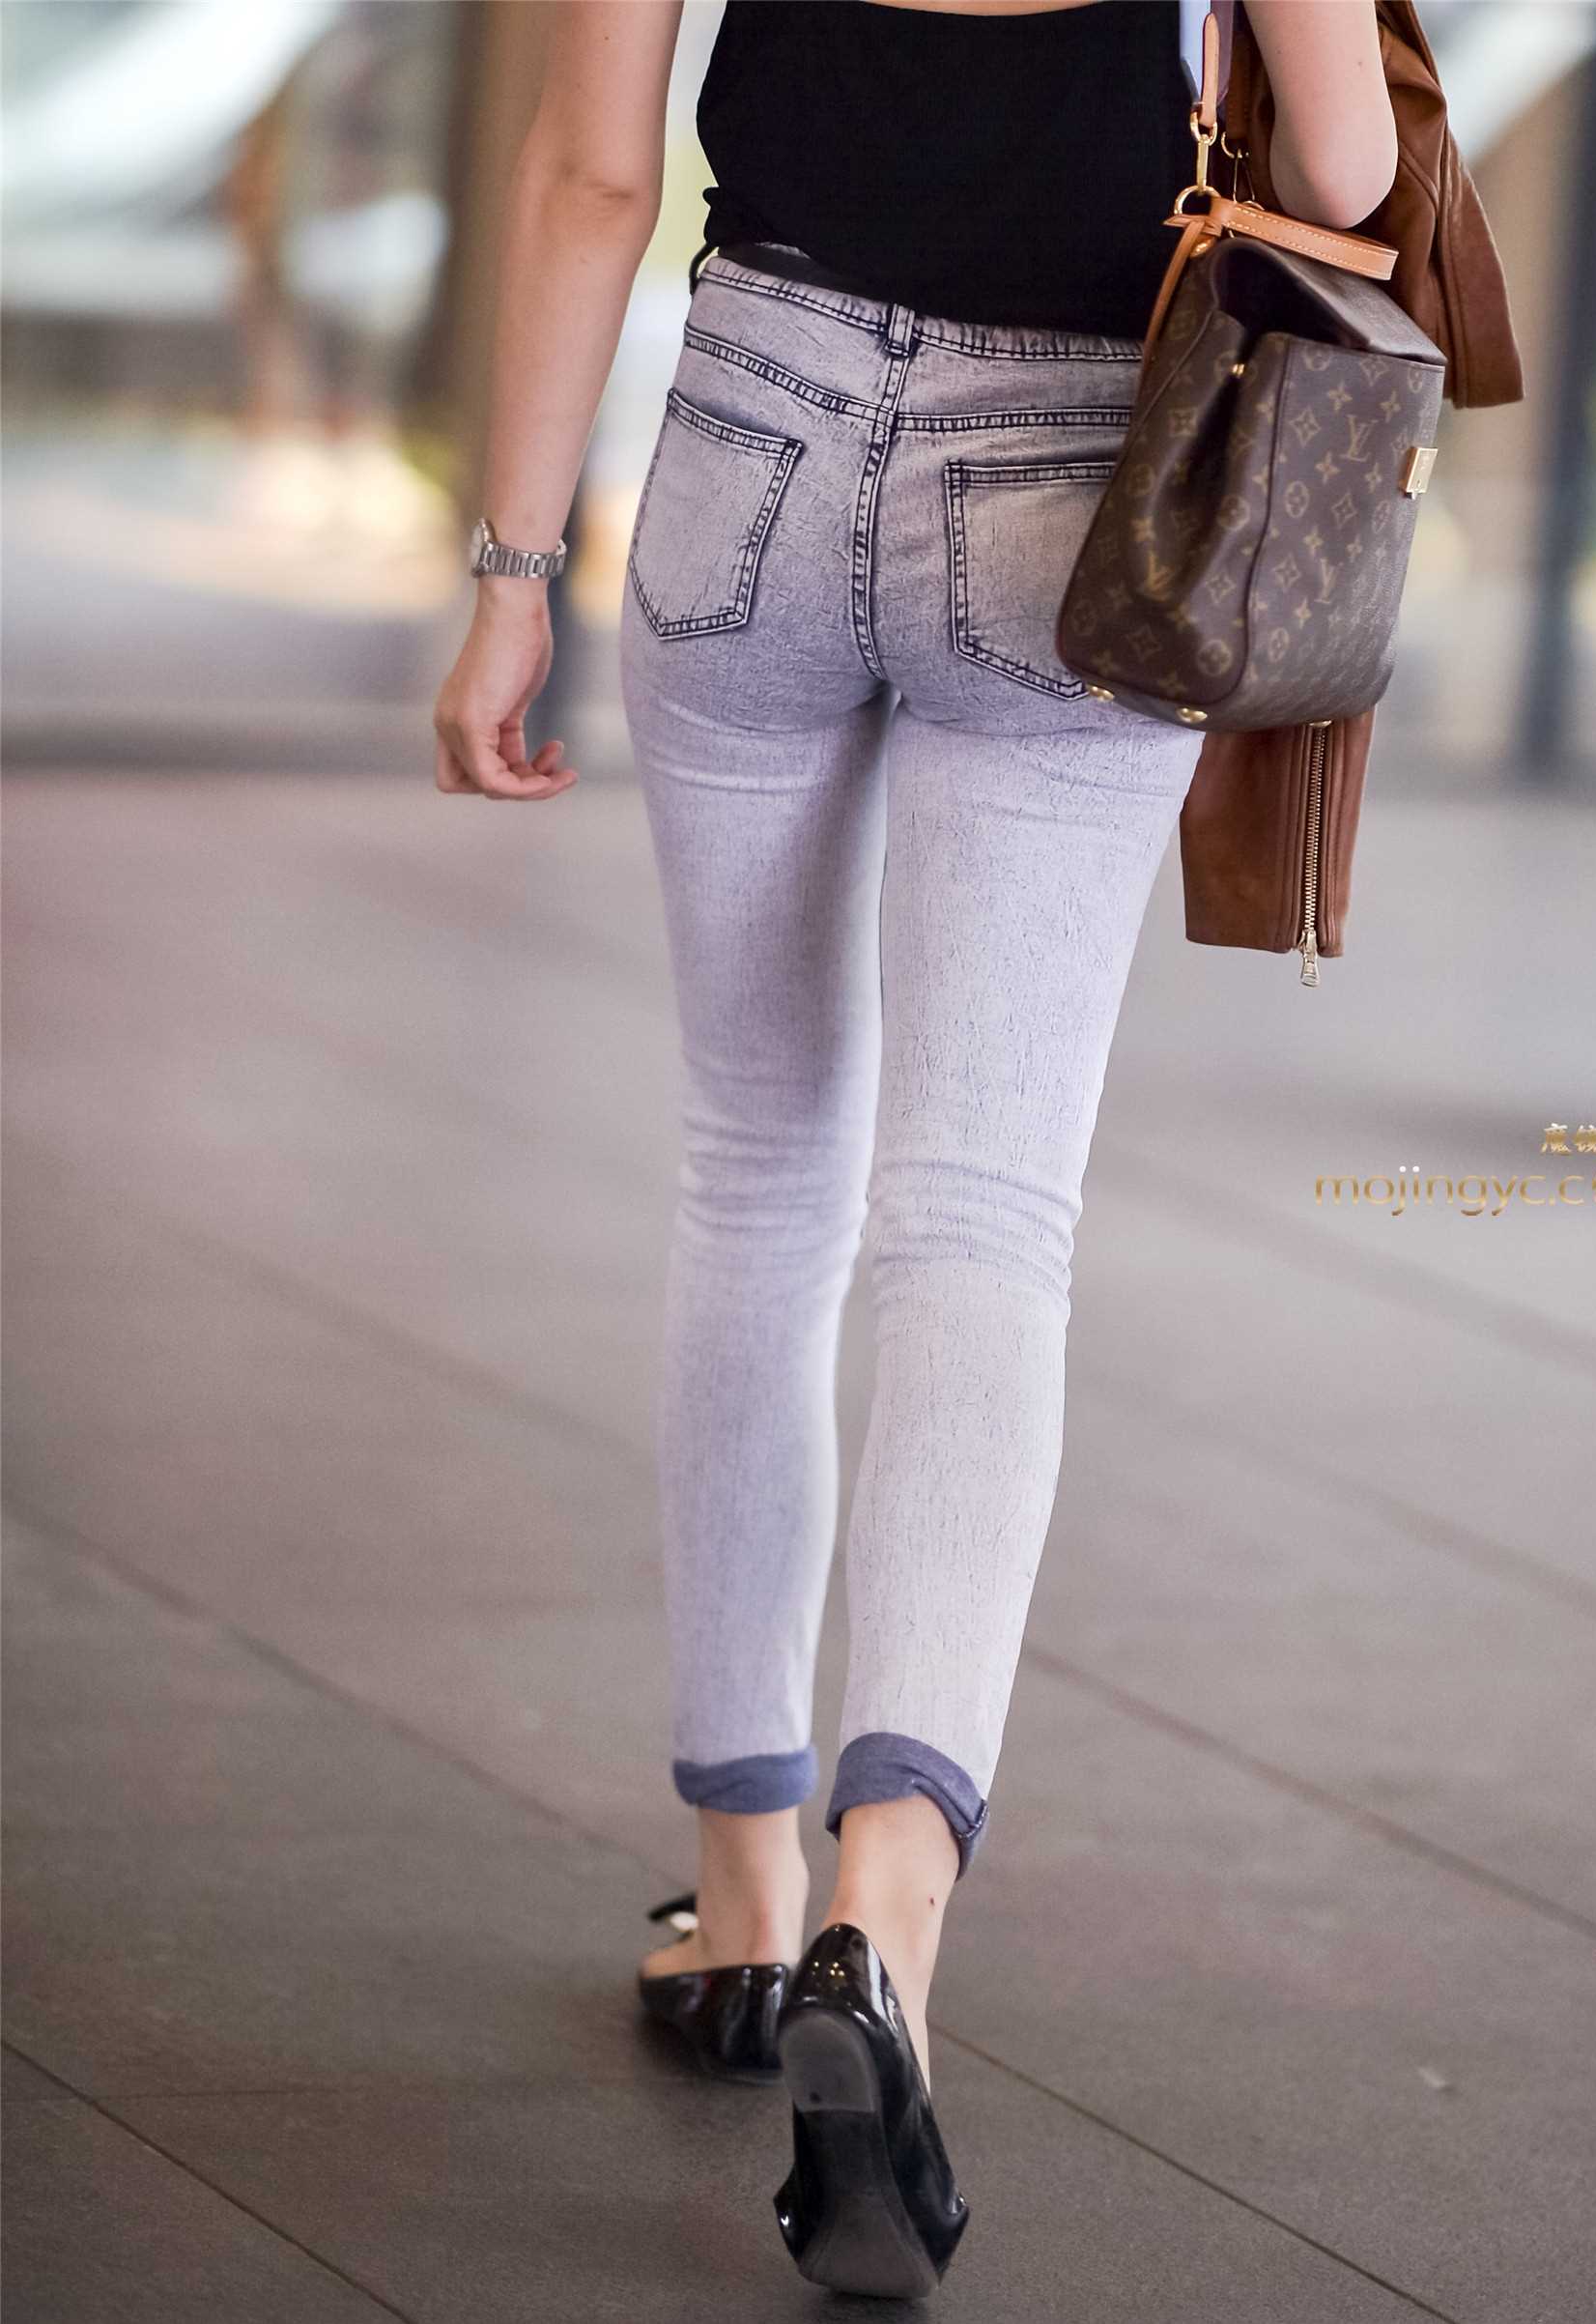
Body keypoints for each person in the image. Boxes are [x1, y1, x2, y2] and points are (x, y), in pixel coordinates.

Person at [432, 0, 1398, 2295]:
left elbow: (589, 173)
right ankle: (891, 1903)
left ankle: (741, 1888)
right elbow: (1346, 173)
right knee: (980, 1219)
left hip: (749, 432)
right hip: (1081, 474)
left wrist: (509, 568)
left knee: (757, 1169)